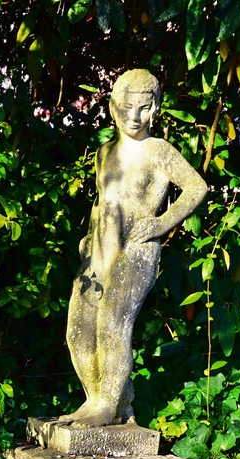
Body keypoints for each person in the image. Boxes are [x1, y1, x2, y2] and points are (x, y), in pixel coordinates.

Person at [64, 69, 209, 428]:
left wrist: (160, 224)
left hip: (136, 250)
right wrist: (88, 237)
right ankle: (100, 400)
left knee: (113, 324)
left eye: (143, 108)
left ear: (155, 108)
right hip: (98, 250)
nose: (134, 117)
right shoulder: (104, 152)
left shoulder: (158, 150)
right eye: (127, 108)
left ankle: (108, 406)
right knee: (78, 329)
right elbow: (103, 200)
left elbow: (197, 188)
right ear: (113, 108)